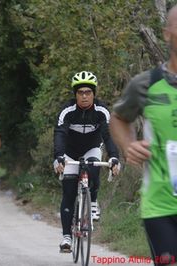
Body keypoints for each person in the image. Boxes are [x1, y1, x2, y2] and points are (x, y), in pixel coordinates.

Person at [109, 6, 177, 265]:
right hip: (160, 204)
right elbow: (118, 118)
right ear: (167, 34)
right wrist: (128, 146)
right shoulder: (146, 83)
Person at [53, 71, 120, 253]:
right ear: (75, 94)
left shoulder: (101, 111)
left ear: (94, 94)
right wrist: (58, 156)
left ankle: (93, 202)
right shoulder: (67, 111)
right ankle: (66, 237)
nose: (84, 96)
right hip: (69, 151)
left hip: (91, 148)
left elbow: (108, 135)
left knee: (93, 168)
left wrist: (114, 157)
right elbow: (60, 134)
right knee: (68, 192)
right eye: (80, 92)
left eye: (88, 92)